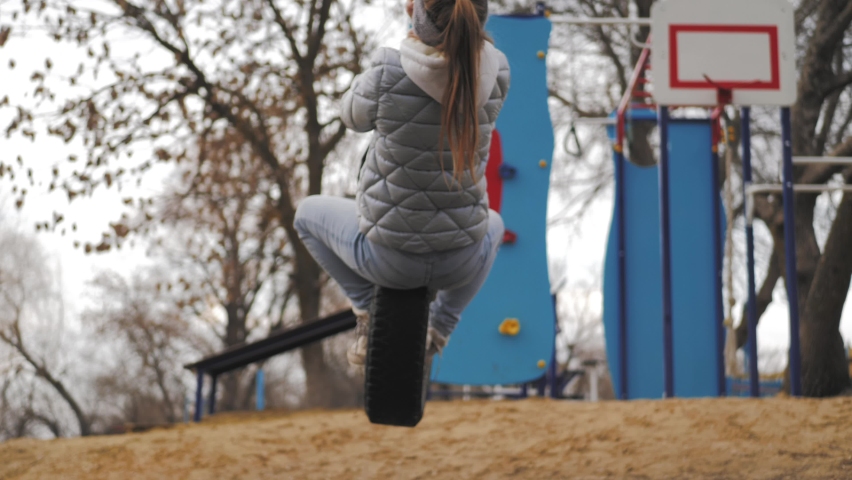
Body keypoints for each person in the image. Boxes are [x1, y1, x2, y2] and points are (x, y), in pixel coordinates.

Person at [293, 0, 510, 368]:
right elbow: (453, 66)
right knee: (495, 223)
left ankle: (365, 310)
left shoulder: (388, 69)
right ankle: (441, 326)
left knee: (305, 215)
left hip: (387, 259)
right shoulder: (497, 74)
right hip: (459, 262)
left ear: (419, 17)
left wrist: (411, 36)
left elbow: (351, 115)